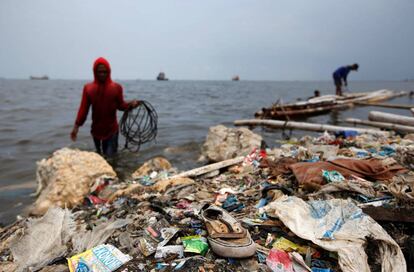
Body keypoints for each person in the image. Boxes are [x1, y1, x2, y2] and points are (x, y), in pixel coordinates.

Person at [70, 57, 139, 157]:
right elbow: (83, 110)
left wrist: (131, 105)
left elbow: (121, 105)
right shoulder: (88, 89)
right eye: (99, 72)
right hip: (96, 131)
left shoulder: (116, 88)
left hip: (112, 131)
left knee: (111, 158)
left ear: (109, 72)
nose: (102, 74)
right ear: (95, 72)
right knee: (99, 157)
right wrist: (76, 127)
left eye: (105, 71)